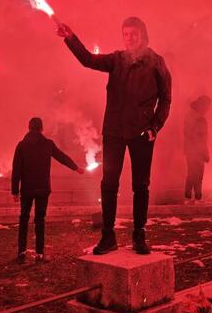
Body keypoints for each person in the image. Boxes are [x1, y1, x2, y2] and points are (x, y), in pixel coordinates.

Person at [57, 17, 172, 255]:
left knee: (140, 186)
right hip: (114, 131)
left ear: (143, 34)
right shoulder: (117, 60)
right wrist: (71, 38)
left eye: (134, 34)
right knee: (109, 184)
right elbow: (88, 60)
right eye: (126, 34)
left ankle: (139, 236)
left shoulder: (156, 62)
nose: (129, 38)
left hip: (142, 133)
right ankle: (108, 236)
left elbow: (166, 98)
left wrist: (155, 127)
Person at [10, 117, 82, 262]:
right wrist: (76, 167)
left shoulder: (21, 145)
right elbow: (61, 157)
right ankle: (39, 254)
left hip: (27, 189)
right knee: (40, 220)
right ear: (41, 128)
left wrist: (15, 190)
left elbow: (16, 169)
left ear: (28, 127)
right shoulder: (48, 144)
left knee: (24, 218)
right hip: (43, 188)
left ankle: (21, 254)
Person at [183, 96, 211, 204]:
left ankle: (189, 197)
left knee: (192, 173)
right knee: (198, 174)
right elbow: (200, 138)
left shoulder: (190, 116)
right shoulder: (199, 118)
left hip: (190, 150)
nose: (208, 109)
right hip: (196, 151)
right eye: (207, 106)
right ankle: (196, 198)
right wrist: (204, 152)